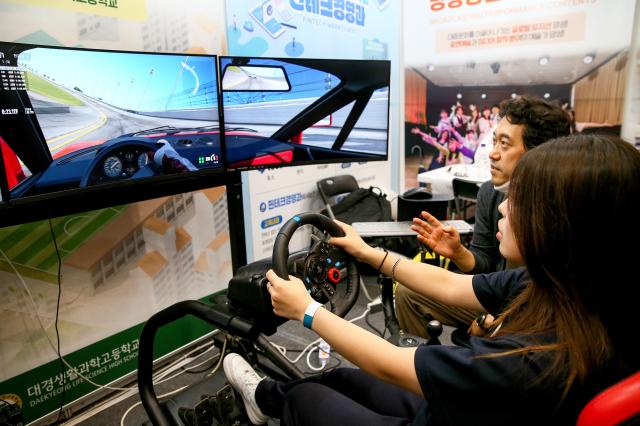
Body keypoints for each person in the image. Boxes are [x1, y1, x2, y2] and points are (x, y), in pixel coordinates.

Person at [223, 134, 640, 425]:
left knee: (306, 397)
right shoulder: (565, 288)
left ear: (560, 226)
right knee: (341, 378)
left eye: (519, 200)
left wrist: (307, 311)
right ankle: (263, 397)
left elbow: (391, 364)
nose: (501, 209)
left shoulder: (531, 360)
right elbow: (452, 287)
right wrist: (371, 254)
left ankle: (267, 403)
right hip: (472, 412)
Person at [397, 94, 572, 338]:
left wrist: (496, 318)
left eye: (505, 144)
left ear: (538, 153)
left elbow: (556, 295)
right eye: (494, 142)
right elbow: (485, 263)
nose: (493, 154)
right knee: (409, 292)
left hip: (541, 313)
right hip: (496, 299)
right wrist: (459, 253)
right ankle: (421, 366)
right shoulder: (490, 193)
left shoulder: (562, 205)